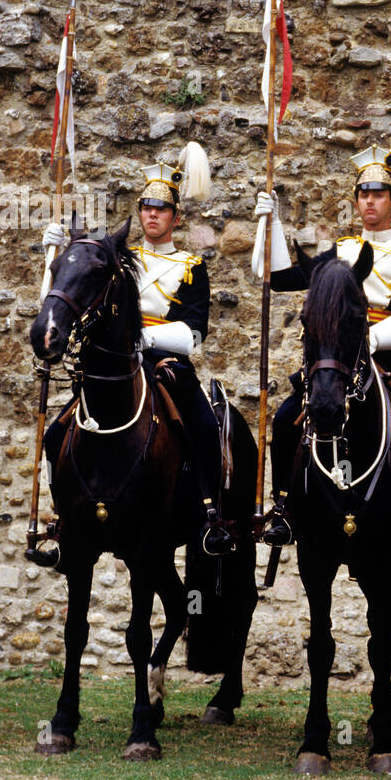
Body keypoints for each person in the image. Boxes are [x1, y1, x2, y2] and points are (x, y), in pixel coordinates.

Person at [254, 121, 391, 555]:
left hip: (390, 354)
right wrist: (271, 222)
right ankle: (283, 508)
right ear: (356, 202)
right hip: (336, 358)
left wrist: (370, 340)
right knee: (283, 419)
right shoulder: (339, 252)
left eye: (378, 194)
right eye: (363, 194)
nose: (370, 201)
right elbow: (278, 279)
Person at [42, 142, 232, 561]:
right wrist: (52, 255)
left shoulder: (190, 265)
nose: (151, 214)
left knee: (202, 425)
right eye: (146, 207)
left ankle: (209, 513)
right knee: (56, 431)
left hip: (165, 361)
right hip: (113, 365)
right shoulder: (113, 257)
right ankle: (61, 521)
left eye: (161, 209)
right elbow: (64, 305)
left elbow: (195, 332)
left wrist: (145, 339)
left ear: (175, 217)